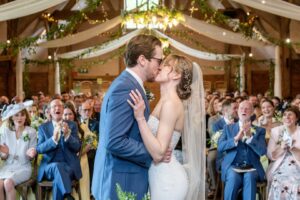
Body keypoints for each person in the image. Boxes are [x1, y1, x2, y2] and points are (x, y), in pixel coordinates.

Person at [92, 34, 165, 200]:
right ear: (142, 60)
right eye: (158, 61)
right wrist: (152, 152)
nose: (160, 66)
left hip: (125, 176)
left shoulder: (129, 84)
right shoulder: (125, 88)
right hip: (120, 180)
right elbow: (115, 140)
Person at [128, 54, 205, 200]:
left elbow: (158, 153)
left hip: (167, 180)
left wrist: (140, 119)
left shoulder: (171, 104)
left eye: (166, 64)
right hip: (159, 175)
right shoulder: (165, 100)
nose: (160, 66)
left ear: (176, 75)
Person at [218, 100, 267, 200]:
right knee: (233, 177)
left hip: (252, 167)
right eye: (241, 108)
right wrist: (235, 138)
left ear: (252, 112)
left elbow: (262, 151)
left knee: (249, 176)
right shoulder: (228, 128)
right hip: (232, 166)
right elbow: (220, 147)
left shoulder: (259, 130)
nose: (244, 110)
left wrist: (250, 138)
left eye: (247, 108)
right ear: (238, 111)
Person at [36, 99, 81, 200]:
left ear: (63, 109)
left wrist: (68, 136)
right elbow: (39, 148)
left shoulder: (72, 125)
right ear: (49, 111)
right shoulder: (43, 128)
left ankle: (66, 195)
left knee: (59, 178)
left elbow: (77, 147)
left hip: (68, 166)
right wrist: (53, 140)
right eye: (54, 106)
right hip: (49, 167)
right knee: (57, 167)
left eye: (60, 106)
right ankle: (68, 195)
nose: (57, 108)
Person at [0, 101, 37, 200]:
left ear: (26, 117)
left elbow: (31, 156)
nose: (19, 118)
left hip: (24, 167)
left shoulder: (31, 132)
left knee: (8, 183)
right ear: (12, 117)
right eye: (16, 115)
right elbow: (3, 157)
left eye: (22, 115)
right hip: (8, 167)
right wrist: (5, 153)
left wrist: (31, 154)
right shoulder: (5, 131)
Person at [266, 106, 300, 199]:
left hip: (297, 164)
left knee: (296, 183)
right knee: (279, 180)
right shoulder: (276, 131)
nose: (287, 117)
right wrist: (281, 148)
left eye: (290, 115)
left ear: (296, 118)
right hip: (280, 164)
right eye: (285, 115)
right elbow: (270, 155)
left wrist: (294, 149)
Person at [63, 104, 89, 200]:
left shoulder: (82, 127)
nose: (68, 117)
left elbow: (90, 142)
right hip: (65, 160)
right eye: (65, 114)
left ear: (74, 114)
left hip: (80, 157)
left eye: (70, 114)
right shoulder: (60, 127)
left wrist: (80, 153)